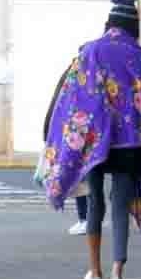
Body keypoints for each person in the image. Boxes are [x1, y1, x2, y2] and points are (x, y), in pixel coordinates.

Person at [40, 0, 141, 279]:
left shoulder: (90, 52)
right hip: (129, 145)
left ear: (109, 23)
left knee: (95, 201)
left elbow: (72, 96)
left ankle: (94, 274)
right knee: (121, 205)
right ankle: (117, 278)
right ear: (133, 26)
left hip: (94, 142)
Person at [43, 60, 90, 236]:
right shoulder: (84, 71)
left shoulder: (76, 71)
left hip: (77, 132)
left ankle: (85, 219)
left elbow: (59, 103)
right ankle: (86, 218)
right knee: (83, 177)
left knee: (79, 177)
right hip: (80, 131)